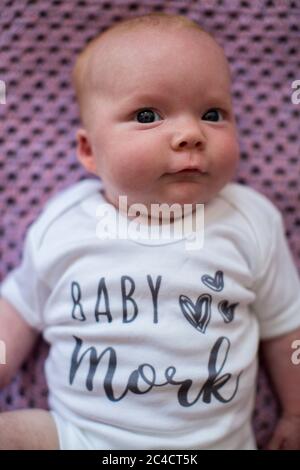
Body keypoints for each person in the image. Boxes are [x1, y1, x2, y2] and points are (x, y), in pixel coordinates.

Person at [0, 12, 300, 450]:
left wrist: (295, 410)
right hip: (78, 438)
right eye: (147, 114)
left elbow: (285, 327)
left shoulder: (249, 220)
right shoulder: (64, 222)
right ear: (89, 150)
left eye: (213, 113)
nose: (190, 133)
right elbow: (18, 308)